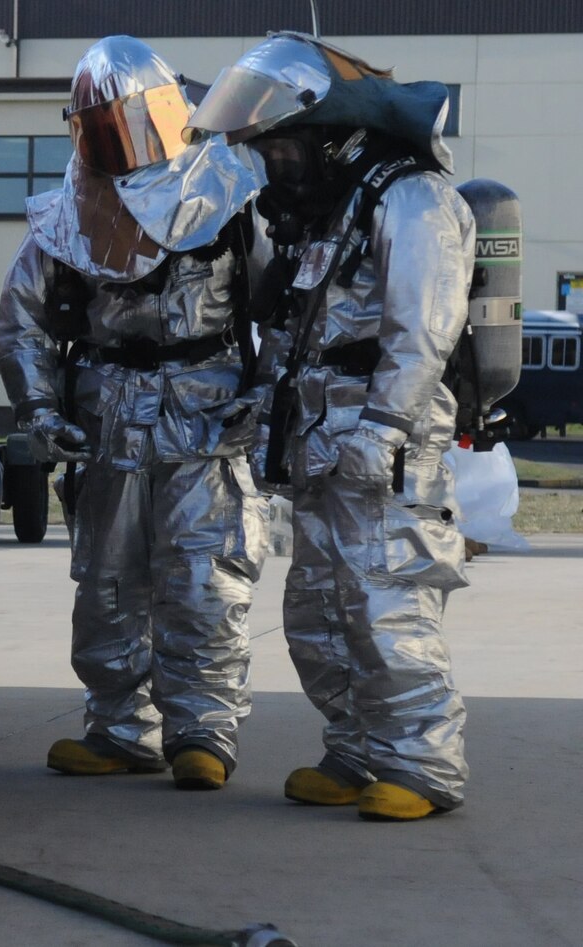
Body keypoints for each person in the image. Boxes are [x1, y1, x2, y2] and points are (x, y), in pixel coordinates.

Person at [188, 32, 473, 821]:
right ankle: (355, 748)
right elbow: (291, 325)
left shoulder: (413, 198)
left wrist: (383, 429)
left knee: (386, 604)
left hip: (384, 443)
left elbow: (425, 331)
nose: (268, 163)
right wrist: (260, 400)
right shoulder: (321, 216)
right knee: (317, 613)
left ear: (324, 135)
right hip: (319, 443)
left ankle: (422, 762)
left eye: (276, 145)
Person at [0, 36, 268, 791]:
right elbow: (22, 323)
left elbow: (288, 313)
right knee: (107, 577)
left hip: (205, 409)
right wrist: (40, 410)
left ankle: (202, 729)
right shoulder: (66, 221)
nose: (118, 144)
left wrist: (267, 397)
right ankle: (119, 725)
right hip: (109, 413)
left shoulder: (234, 195)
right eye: (98, 128)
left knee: (202, 572)